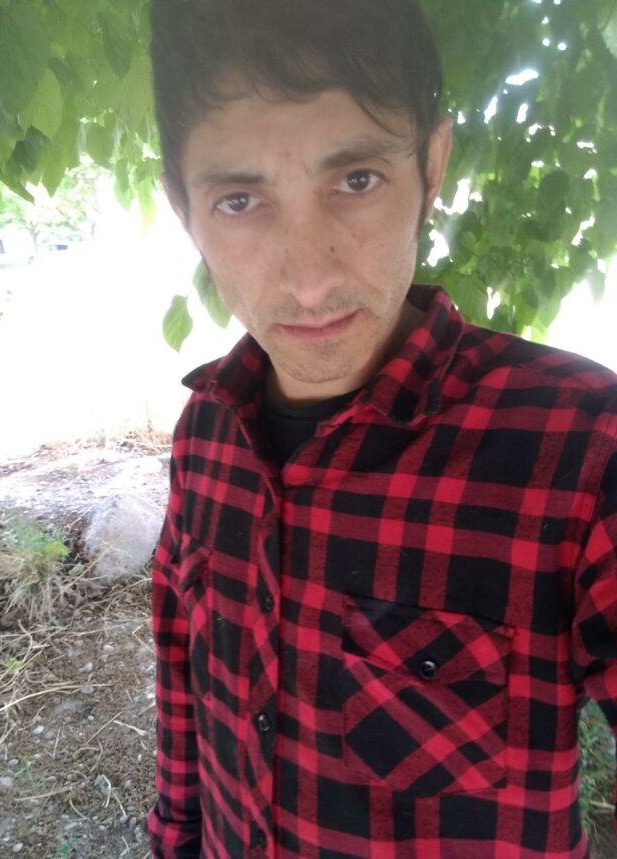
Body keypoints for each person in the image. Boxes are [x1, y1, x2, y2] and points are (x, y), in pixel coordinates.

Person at [146, 1, 617, 856]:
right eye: (240, 200)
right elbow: (185, 682)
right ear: (183, 206)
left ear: (430, 168)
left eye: (356, 179)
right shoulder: (204, 434)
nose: (310, 279)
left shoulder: (583, 451)